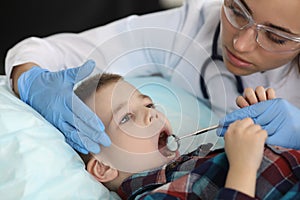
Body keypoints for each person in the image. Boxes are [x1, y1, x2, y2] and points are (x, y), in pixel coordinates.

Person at [6, 0, 300, 154]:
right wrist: (30, 79)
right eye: (237, 10)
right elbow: (49, 52)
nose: (240, 44)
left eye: (275, 38)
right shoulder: (194, 25)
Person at [73, 72, 300, 199]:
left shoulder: (192, 165)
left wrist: (263, 136)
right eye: (125, 118)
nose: (150, 114)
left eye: (149, 104)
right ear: (103, 167)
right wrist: (244, 169)